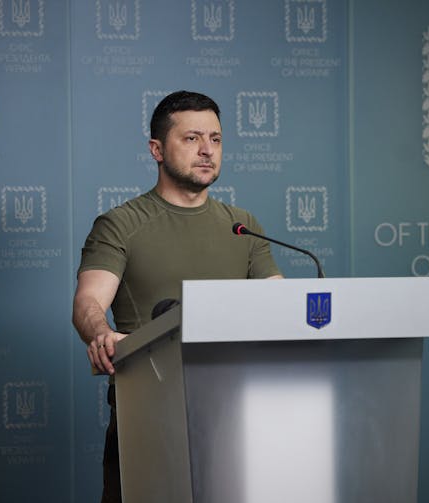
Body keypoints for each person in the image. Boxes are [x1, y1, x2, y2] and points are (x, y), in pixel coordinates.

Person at [72, 90, 282, 503]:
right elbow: (88, 302)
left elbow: (280, 309)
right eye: (191, 139)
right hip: (150, 415)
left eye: (216, 139)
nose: (207, 151)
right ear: (156, 149)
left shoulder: (243, 226)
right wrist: (100, 332)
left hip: (240, 414)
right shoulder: (120, 224)